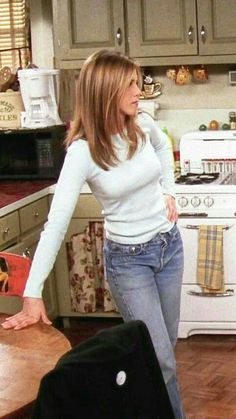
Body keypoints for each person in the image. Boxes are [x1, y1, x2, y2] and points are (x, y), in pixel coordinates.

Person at [1, 49, 185, 418]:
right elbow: (55, 224)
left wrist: (170, 190)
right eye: (130, 84)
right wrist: (32, 293)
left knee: (166, 351)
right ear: (106, 92)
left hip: (169, 248)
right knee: (160, 359)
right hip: (129, 262)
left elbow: (164, 148)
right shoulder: (83, 151)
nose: (139, 91)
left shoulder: (142, 124)